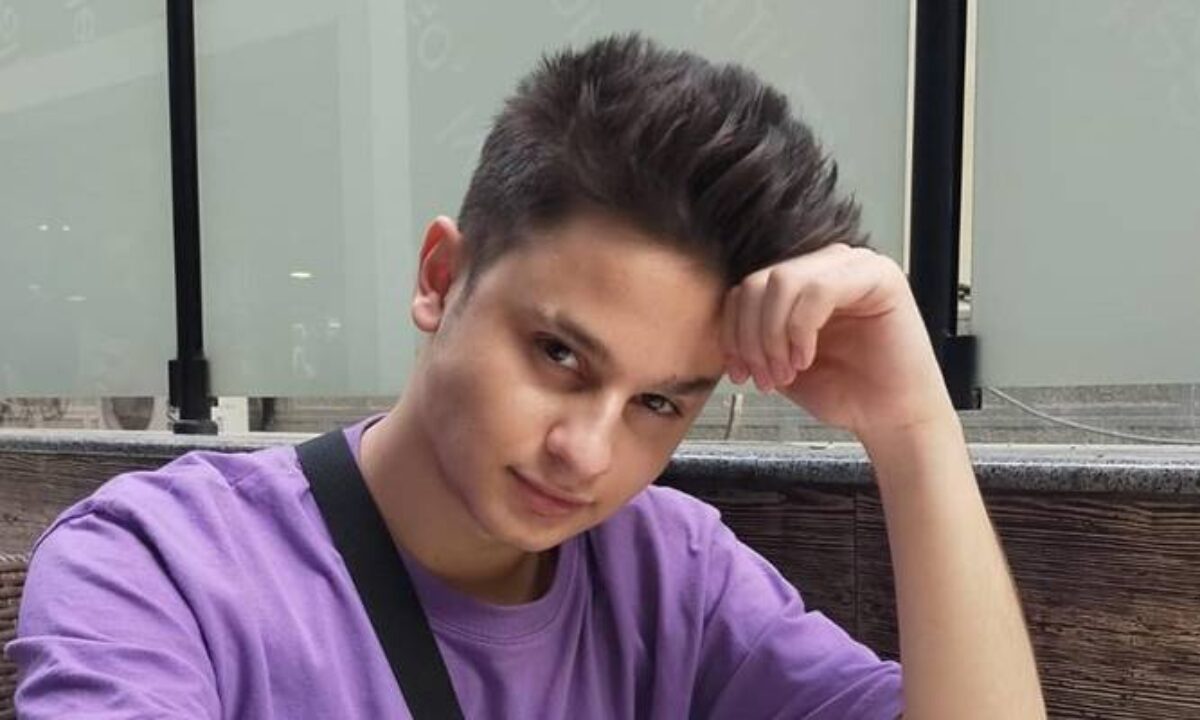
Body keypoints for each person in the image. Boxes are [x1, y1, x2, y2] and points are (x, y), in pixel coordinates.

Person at [6, 34, 1044, 718]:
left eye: (657, 403)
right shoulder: (161, 568)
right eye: (558, 355)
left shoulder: (673, 579)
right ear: (440, 277)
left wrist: (913, 430)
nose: (586, 453)